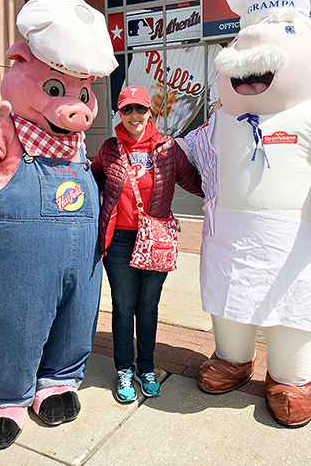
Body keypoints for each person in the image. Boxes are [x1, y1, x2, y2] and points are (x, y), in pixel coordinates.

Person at [91, 86, 203, 403]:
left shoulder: (167, 148)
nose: (134, 116)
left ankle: (146, 368)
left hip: (155, 238)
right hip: (120, 242)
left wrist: (226, 199)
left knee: (148, 308)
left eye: (140, 109)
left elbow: (194, 182)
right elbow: (92, 183)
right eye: (127, 110)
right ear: (119, 113)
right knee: (124, 308)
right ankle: (124, 369)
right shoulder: (110, 149)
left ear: (149, 112)